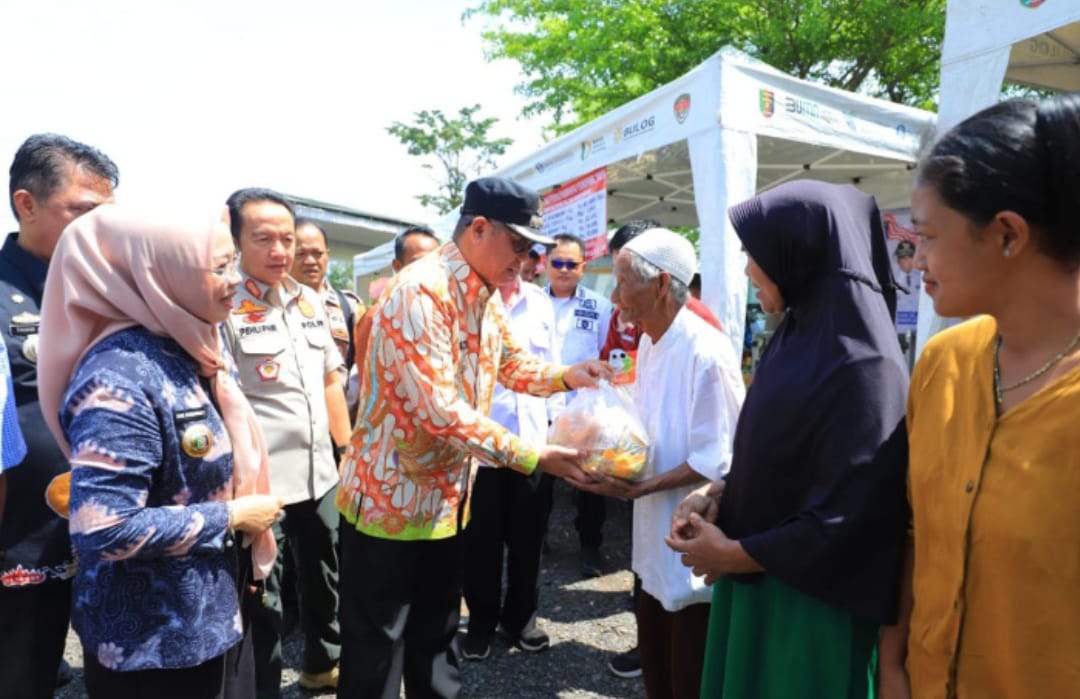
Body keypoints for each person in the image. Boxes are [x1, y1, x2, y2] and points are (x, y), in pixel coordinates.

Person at [335, 176, 610, 699]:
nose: (527, 260)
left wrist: (566, 376)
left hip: (445, 503)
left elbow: (510, 362)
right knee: (377, 653)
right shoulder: (421, 292)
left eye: (533, 250)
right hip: (389, 508)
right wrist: (534, 456)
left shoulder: (485, 292)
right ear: (478, 228)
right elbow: (440, 411)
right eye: (520, 245)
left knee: (437, 642)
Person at [668, 180, 909, 698]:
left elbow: (853, 513)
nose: (749, 269)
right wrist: (720, 493)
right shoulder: (797, 335)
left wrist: (733, 556)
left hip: (812, 608)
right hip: (759, 578)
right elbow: (783, 456)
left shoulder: (864, 363)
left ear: (798, 253)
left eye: (755, 253)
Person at [878, 94, 1080, 698]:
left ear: (1008, 235)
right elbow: (915, 532)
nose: (915, 262)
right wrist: (893, 664)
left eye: (928, 237)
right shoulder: (944, 363)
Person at [36, 204, 282, 698]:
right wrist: (230, 516)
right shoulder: (118, 379)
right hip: (154, 645)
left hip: (209, 615)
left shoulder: (194, 345)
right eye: (219, 267)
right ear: (159, 274)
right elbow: (102, 528)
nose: (235, 278)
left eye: (233, 262)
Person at [575, 228, 744, 699]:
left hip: (690, 536)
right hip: (653, 534)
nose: (615, 296)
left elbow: (720, 459)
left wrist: (645, 486)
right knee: (657, 663)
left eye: (624, 281)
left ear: (662, 284)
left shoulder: (706, 351)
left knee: (689, 670)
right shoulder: (650, 342)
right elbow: (650, 427)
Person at [0, 133, 117, 699]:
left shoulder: (108, 291)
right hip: (24, 530)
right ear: (27, 204)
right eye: (83, 212)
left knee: (112, 660)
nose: (98, 229)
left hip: (108, 519)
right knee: (23, 665)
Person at [221, 188, 351, 696]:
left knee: (326, 574)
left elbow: (329, 382)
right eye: (264, 239)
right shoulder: (223, 306)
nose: (281, 251)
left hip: (320, 472)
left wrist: (349, 449)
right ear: (236, 241)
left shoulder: (310, 299)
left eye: (287, 239)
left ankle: (323, 664)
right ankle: (264, 685)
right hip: (263, 479)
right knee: (264, 591)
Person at [461, 269, 559, 661]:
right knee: (480, 543)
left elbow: (550, 365)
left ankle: (521, 619)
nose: (516, 260)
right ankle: (481, 623)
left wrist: (560, 429)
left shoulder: (539, 301)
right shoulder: (467, 299)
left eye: (524, 252)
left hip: (533, 443)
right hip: (481, 448)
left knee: (529, 540)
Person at [545, 232, 613, 577]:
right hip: (539, 405)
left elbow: (606, 355)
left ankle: (590, 547)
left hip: (583, 411)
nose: (564, 270)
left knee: (589, 483)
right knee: (537, 480)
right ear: (545, 264)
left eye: (572, 264)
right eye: (557, 262)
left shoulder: (598, 307)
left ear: (583, 267)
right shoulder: (529, 302)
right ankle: (538, 540)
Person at [352, 223, 439, 376]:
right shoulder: (376, 317)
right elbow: (366, 380)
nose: (428, 270)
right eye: (418, 263)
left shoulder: (445, 314)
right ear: (397, 266)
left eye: (434, 263)